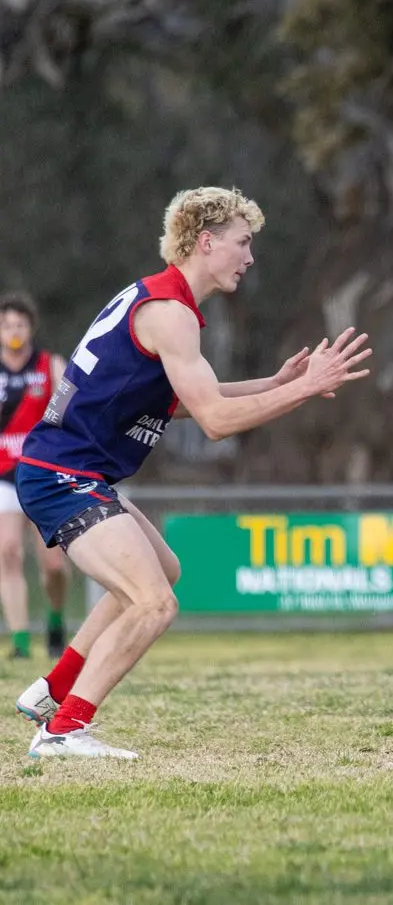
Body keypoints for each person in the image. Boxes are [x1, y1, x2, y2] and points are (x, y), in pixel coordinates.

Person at [13, 186, 371, 759]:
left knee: (163, 570)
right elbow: (215, 421)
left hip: (65, 470)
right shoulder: (172, 314)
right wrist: (306, 387)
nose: (250, 257)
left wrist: (278, 386)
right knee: (154, 602)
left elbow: (180, 400)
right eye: (243, 242)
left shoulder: (159, 300)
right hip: (62, 474)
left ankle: (51, 691)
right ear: (206, 242)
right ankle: (63, 730)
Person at [0, 294, 70, 659]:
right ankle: (21, 640)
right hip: (4, 475)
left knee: (54, 564)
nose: (15, 332)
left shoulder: (49, 364)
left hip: (41, 472)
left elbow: (68, 405)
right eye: (8, 325)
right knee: (8, 553)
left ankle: (56, 622)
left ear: (31, 328)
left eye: (21, 325)